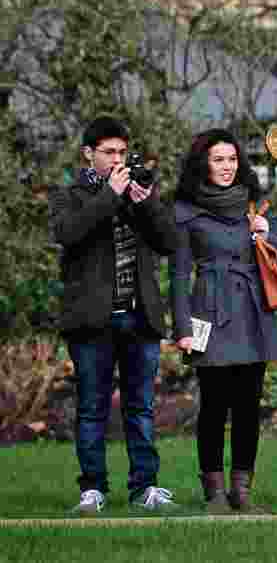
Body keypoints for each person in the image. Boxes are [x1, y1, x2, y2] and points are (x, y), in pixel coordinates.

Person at [48, 115, 179, 515]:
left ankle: (145, 487)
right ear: (89, 154)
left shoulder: (136, 193)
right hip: (92, 321)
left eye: (122, 151)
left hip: (140, 319)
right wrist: (109, 194)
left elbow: (170, 242)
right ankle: (93, 489)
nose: (117, 158)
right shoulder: (68, 196)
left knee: (140, 408)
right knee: (92, 408)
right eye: (109, 152)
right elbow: (69, 233)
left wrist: (148, 203)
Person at [170, 129, 277, 514]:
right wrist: (183, 329)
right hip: (210, 312)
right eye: (219, 159)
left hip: (253, 314)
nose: (227, 167)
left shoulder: (253, 207)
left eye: (232, 159)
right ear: (203, 163)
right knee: (214, 406)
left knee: (248, 407)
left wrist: (267, 233)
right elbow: (177, 274)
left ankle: (242, 492)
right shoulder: (185, 211)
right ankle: (215, 494)